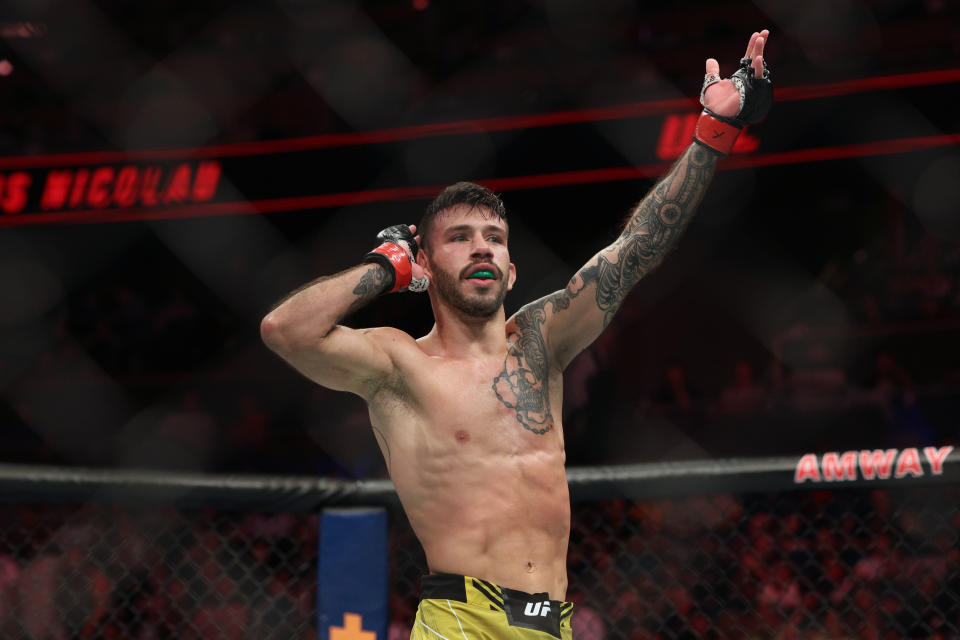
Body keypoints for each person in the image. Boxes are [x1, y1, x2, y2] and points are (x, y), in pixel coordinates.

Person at [261, 30, 772, 640]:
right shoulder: (398, 365)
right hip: (461, 621)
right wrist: (384, 268)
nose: (481, 247)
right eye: (460, 238)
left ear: (511, 269)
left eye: (495, 239)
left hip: (549, 621)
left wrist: (711, 135)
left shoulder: (541, 341)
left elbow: (636, 250)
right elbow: (285, 330)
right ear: (426, 260)